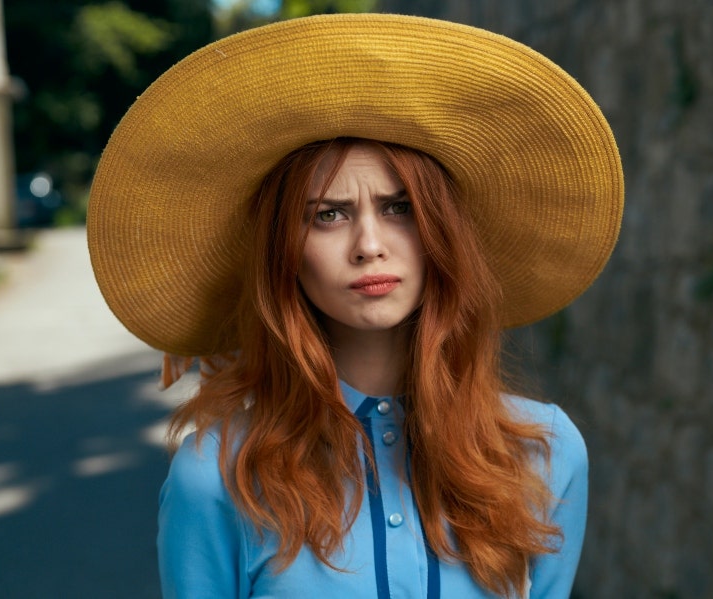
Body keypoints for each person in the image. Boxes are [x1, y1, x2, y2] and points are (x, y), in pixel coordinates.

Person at [87, 13, 622, 599]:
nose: (369, 246)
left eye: (401, 208)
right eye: (328, 214)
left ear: (441, 233)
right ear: (283, 253)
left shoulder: (545, 453)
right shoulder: (215, 477)